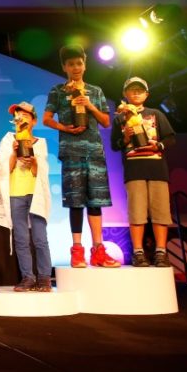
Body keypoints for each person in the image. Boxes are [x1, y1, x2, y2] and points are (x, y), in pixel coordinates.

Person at [42, 45, 119, 268]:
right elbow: (46, 119)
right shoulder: (58, 91)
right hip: (71, 151)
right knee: (75, 201)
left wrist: (89, 105)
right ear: (64, 67)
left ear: (85, 65)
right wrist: (64, 127)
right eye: (71, 64)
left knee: (96, 201)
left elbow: (106, 121)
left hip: (94, 152)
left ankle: (98, 250)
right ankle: (77, 251)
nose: (75, 67)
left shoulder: (95, 91)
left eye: (79, 63)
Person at [111, 77, 176, 268]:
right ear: (125, 94)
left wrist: (159, 145)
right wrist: (125, 137)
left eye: (140, 90)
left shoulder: (156, 114)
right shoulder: (120, 118)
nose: (136, 93)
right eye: (132, 90)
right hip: (134, 170)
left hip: (157, 169)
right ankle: (138, 252)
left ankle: (161, 252)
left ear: (147, 94)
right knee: (137, 212)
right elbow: (115, 145)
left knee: (160, 212)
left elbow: (170, 138)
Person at [0, 102, 53, 292]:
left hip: (35, 193)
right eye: (17, 115)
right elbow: (4, 169)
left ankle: (44, 278)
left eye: (25, 115)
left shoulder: (40, 142)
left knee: (40, 238)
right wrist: (14, 152)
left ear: (33, 121)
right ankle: (27, 277)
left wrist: (33, 161)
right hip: (15, 193)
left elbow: (40, 172)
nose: (20, 118)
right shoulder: (8, 139)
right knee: (20, 239)